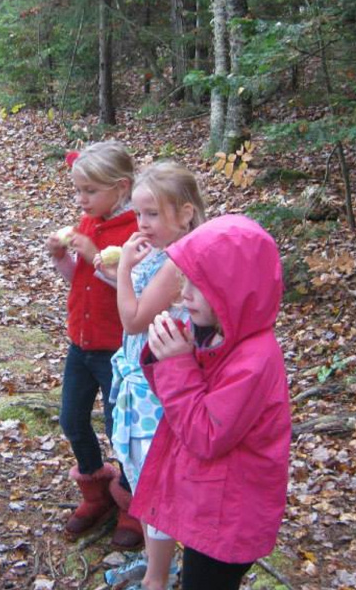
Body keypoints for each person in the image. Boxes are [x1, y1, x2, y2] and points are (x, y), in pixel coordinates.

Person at [131, 214, 290, 590]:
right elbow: (182, 407)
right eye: (184, 280)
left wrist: (175, 363)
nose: (184, 294)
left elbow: (206, 433)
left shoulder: (254, 360)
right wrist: (165, 355)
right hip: (211, 500)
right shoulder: (219, 333)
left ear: (232, 291)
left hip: (233, 514)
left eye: (198, 286)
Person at [96, 162, 205, 590]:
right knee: (145, 478)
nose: (142, 224)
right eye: (139, 214)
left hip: (157, 390)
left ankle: (157, 579)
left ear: (186, 213)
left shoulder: (179, 261)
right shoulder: (163, 254)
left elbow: (136, 319)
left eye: (153, 214)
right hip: (144, 383)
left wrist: (123, 271)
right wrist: (120, 274)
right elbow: (141, 303)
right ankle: (157, 564)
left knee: (154, 483)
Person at [46, 141, 138, 544]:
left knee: (121, 425)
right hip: (80, 344)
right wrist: (61, 257)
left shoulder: (136, 230)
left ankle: (133, 503)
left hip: (116, 347)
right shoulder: (88, 223)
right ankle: (96, 491)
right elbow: (77, 278)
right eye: (77, 191)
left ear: (120, 187)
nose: (81, 200)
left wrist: (97, 254)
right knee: (71, 418)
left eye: (90, 191)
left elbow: (133, 289)